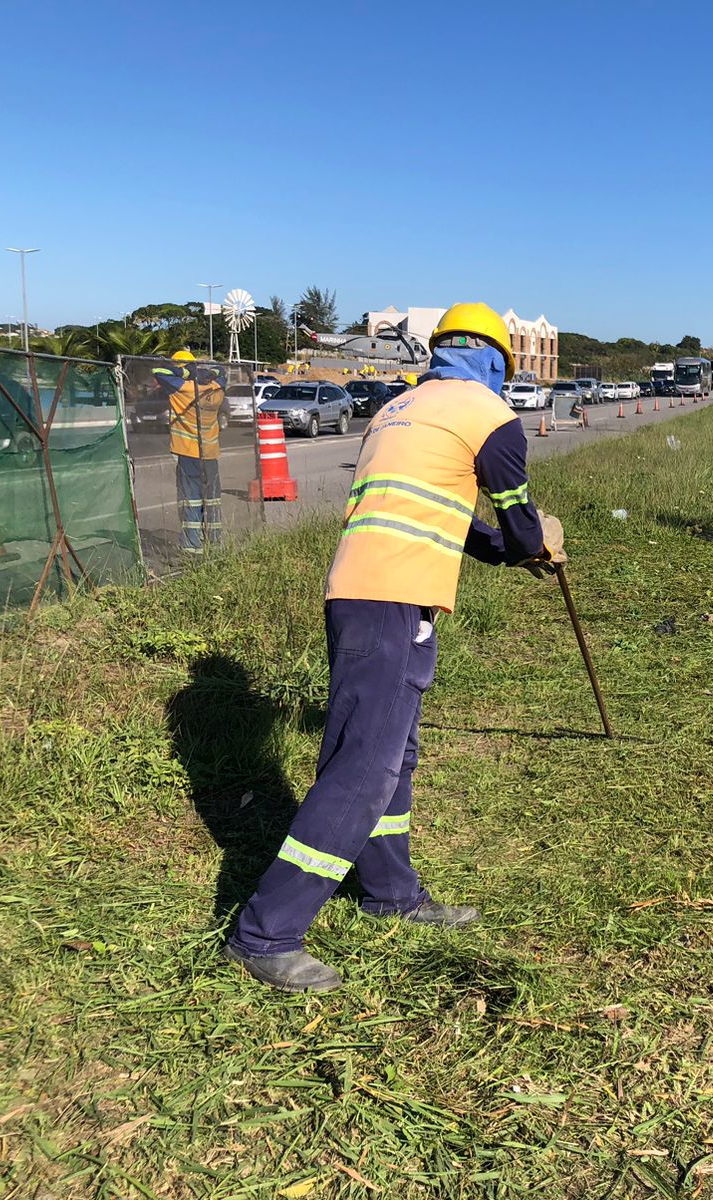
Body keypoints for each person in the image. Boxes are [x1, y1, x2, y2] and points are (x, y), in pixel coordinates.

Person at [223, 303, 564, 993]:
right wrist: (540, 546)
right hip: (390, 597)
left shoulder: (399, 412)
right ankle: (265, 931)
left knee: (392, 755)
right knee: (364, 768)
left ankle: (389, 892)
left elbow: (448, 519)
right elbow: (520, 526)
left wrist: (512, 552)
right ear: (500, 361)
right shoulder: (489, 417)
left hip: (367, 592)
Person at [154, 349, 225, 553]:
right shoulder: (216, 388)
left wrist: (185, 373)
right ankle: (214, 543)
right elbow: (222, 371)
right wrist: (206, 373)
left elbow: (159, 371)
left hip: (188, 452)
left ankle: (193, 546)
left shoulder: (182, 388)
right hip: (211, 453)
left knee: (191, 498)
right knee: (212, 500)